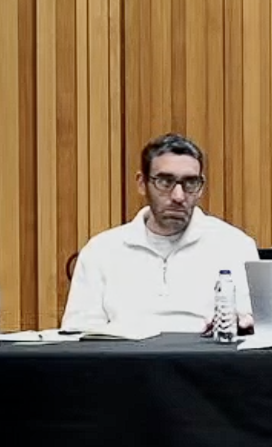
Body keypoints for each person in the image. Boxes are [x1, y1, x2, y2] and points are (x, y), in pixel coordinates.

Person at [62, 134, 261, 334]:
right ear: (142, 183)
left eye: (190, 183)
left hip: (204, 352)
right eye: (165, 182)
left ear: (201, 188)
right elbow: (78, 332)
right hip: (124, 353)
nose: (178, 196)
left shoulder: (234, 246)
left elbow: (255, 325)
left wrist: (241, 323)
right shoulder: (101, 251)